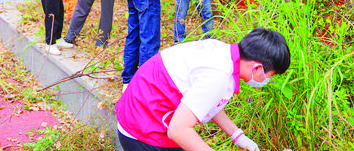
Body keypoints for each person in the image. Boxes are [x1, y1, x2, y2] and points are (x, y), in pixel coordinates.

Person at [115, 28, 291, 151]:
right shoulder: (219, 74)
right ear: (257, 68)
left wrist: (237, 135)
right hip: (141, 127)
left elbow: (205, 101)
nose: (268, 80)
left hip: (144, 113)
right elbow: (178, 130)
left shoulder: (222, 53)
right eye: (270, 75)